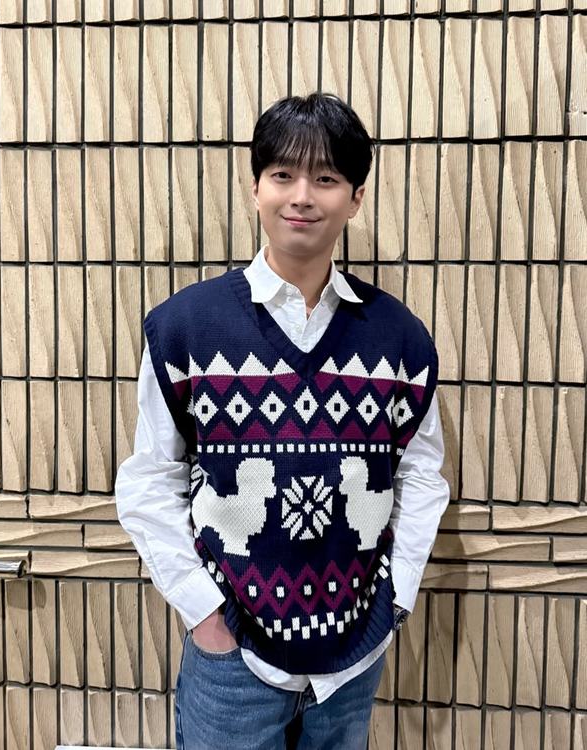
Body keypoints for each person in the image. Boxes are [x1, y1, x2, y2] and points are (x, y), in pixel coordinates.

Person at [115, 92, 450, 750]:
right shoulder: (184, 328)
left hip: (354, 655)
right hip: (231, 657)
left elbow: (421, 473)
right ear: (255, 188)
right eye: (283, 175)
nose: (302, 196)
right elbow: (150, 477)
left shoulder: (400, 337)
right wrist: (206, 614)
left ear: (355, 198)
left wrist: (396, 600)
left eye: (325, 178)